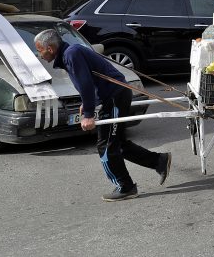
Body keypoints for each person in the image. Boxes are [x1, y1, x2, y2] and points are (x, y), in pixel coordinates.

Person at [34, 29, 172, 202]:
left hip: (114, 96)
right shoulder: (71, 53)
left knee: (105, 146)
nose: (39, 55)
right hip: (113, 95)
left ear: (51, 48)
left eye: (40, 50)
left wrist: (89, 114)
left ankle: (125, 187)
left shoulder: (72, 54)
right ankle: (158, 161)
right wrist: (88, 103)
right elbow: (90, 80)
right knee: (117, 143)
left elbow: (86, 84)